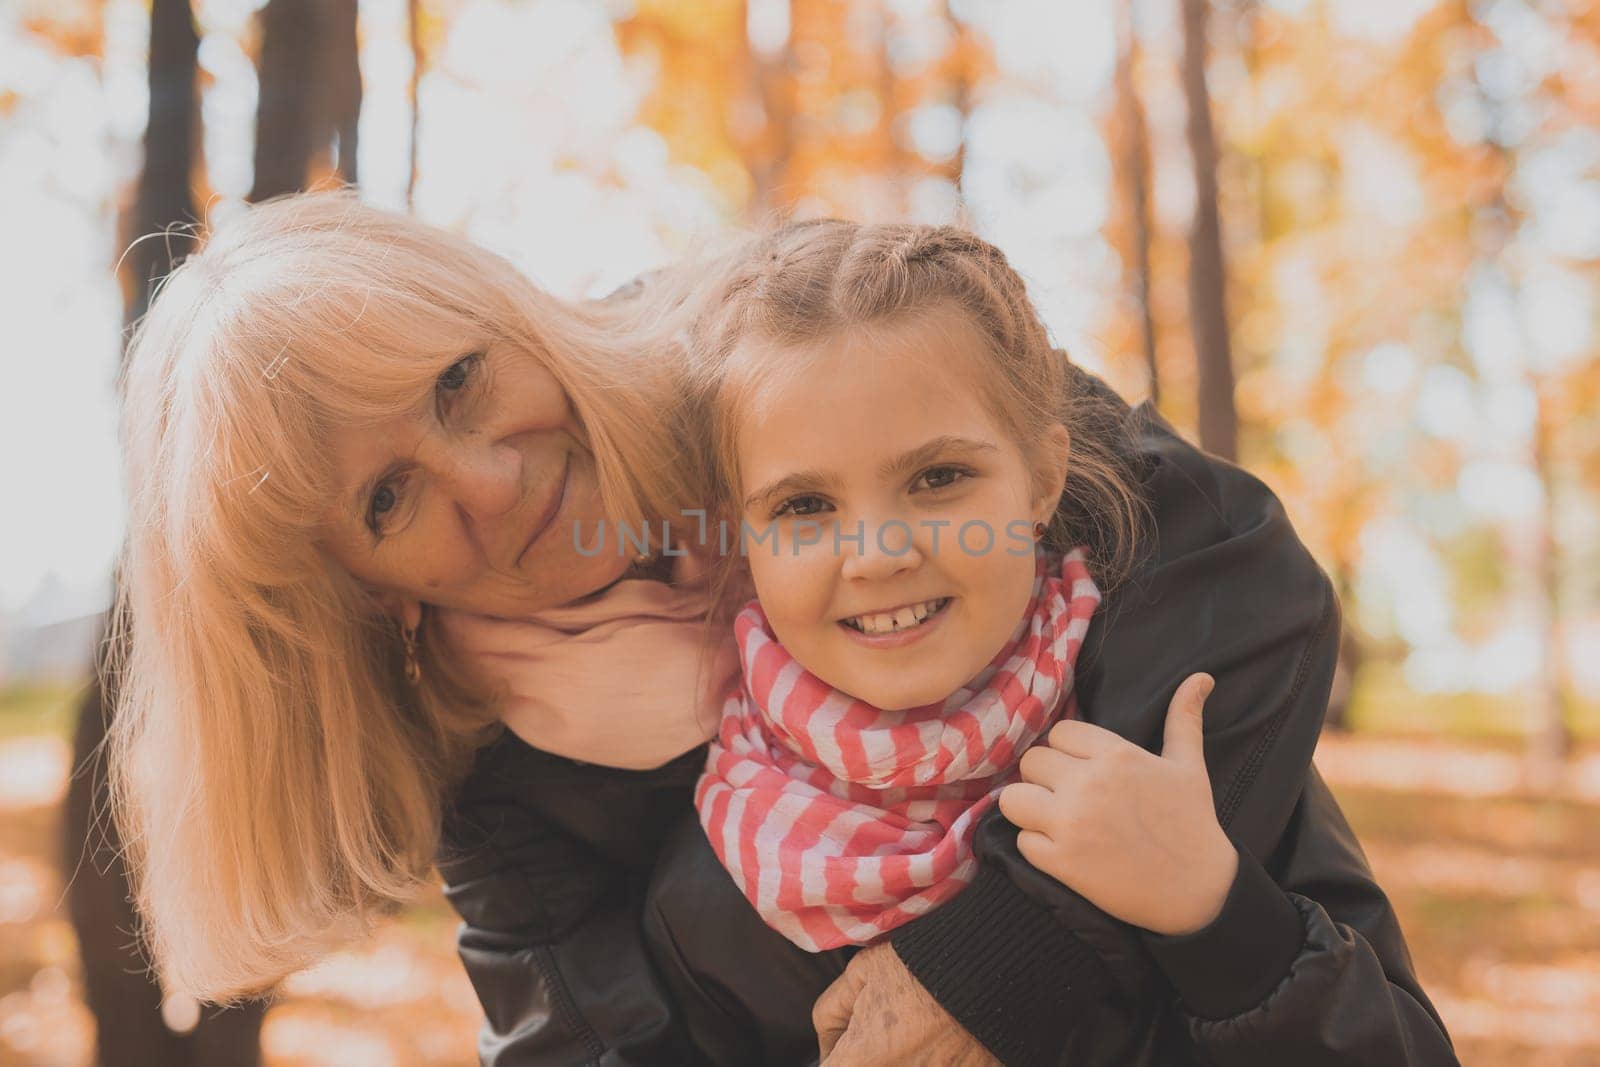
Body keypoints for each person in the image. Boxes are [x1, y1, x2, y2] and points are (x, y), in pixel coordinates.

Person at [108, 194, 1453, 1065]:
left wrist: (1005, 956)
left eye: (462, 381)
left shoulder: (807, 350)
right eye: (392, 496)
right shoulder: (515, 796)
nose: (495, 482)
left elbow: (1239, 572)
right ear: (362, 584)